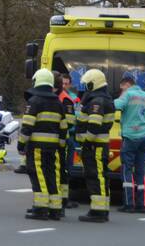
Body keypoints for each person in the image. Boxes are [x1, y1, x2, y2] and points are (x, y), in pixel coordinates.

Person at [19, 69, 67, 221]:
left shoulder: (34, 102)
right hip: (53, 149)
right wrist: (60, 145)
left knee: (38, 175)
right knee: (51, 176)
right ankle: (55, 209)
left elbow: (27, 126)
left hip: (37, 147)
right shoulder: (58, 102)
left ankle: (41, 208)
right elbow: (63, 128)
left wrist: (21, 144)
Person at [77, 69, 116, 223]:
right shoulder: (103, 99)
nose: (85, 88)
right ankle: (101, 209)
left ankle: (98, 211)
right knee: (100, 176)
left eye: (87, 85)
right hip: (98, 145)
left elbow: (93, 127)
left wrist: (85, 141)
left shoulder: (97, 102)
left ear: (93, 84)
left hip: (95, 146)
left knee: (96, 176)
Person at [115, 74, 145, 214]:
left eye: (122, 88)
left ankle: (128, 204)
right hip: (144, 136)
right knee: (141, 171)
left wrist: (121, 97)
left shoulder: (128, 94)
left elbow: (116, 106)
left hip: (130, 137)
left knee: (126, 170)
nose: (122, 90)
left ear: (127, 84)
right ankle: (141, 205)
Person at [55, 72, 80, 210]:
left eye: (66, 83)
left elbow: (76, 117)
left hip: (70, 136)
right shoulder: (60, 97)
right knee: (62, 168)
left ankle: (63, 197)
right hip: (63, 137)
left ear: (69, 84)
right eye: (62, 83)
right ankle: (62, 198)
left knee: (66, 169)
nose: (64, 85)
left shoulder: (74, 99)